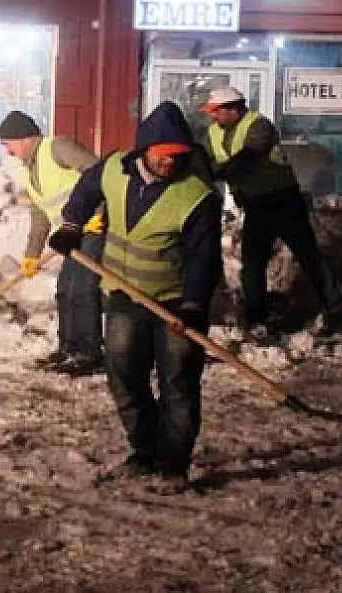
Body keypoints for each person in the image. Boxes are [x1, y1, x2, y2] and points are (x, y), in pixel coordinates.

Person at [47, 101, 223, 493]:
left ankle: (173, 463)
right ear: (145, 149)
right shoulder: (113, 169)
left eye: (179, 156)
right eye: (164, 155)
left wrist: (194, 305)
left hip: (175, 301)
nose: (171, 162)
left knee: (178, 379)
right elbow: (86, 188)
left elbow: (203, 257)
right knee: (123, 373)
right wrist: (73, 225)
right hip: (125, 295)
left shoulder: (196, 196)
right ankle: (145, 452)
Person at [200, 86, 342, 335]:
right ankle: (256, 318)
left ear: (233, 109)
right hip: (256, 203)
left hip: (282, 200)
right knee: (253, 262)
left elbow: (248, 156)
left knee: (307, 255)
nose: (212, 117)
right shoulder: (213, 133)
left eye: (216, 111)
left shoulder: (259, 126)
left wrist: (219, 172)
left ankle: (335, 307)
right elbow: (205, 159)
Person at [0, 110, 106, 376]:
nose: (8, 152)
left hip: (93, 228)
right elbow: (40, 215)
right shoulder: (31, 171)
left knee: (83, 289)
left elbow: (99, 174)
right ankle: (68, 349)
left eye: (8, 144)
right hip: (70, 234)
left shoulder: (58, 148)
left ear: (25, 139)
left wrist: (98, 213)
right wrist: (31, 254)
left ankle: (89, 354)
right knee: (65, 289)